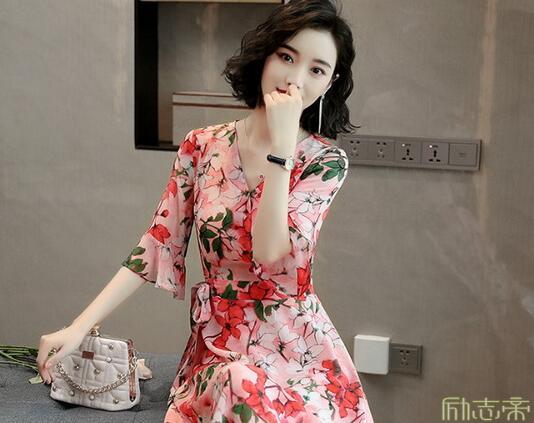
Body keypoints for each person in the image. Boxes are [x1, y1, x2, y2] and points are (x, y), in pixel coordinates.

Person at [37, 0, 374, 421]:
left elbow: (270, 253)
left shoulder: (325, 162)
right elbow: (156, 244)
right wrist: (78, 327)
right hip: (221, 346)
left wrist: (282, 150)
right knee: (237, 384)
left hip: (298, 350)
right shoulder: (202, 146)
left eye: (317, 70)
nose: (295, 78)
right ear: (265, 55)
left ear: (330, 82)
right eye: (287, 57)